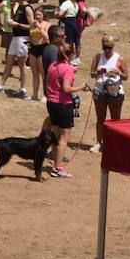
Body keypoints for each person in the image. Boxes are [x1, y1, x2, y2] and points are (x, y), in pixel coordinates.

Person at [87, 33, 128, 154]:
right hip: (100, 90)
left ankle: (115, 143)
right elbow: (92, 74)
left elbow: (126, 77)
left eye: (109, 47)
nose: (107, 50)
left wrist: (118, 73)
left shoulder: (119, 58)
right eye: (104, 47)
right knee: (101, 118)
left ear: (113, 46)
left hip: (114, 91)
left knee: (115, 119)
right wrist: (98, 72)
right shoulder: (98, 57)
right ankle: (99, 142)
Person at [43, 43, 77, 178]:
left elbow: (47, 84)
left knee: (55, 134)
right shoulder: (67, 69)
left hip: (51, 103)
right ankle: (58, 167)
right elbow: (66, 89)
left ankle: (54, 158)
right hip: (63, 104)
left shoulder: (53, 66)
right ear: (71, 55)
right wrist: (81, 87)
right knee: (64, 137)